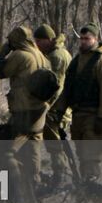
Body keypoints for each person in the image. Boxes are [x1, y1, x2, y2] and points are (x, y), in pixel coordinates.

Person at [50, 24, 102, 195]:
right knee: (81, 152)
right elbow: (67, 89)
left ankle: (93, 189)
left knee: (91, 154)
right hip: (78, 114)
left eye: (87, 38)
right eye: (82, 38)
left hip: (93, 114)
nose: (84, 42)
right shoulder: (76, 61)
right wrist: (58, 110)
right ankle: (84, 187)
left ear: (95, 39)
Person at [0, 26, 52, 203]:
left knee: (7, 152)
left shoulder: (20, 55)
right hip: (39, 111)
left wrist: (4, 50)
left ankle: (18, 194)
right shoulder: (42, 56)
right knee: (32, 152)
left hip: (24, 112)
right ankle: (34, 191)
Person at [34, 23, 73, 192]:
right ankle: (61, 175)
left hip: (56, 110)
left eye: (39, 41)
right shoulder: (56, 53)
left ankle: (60, 178)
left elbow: (56, 86)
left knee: (55, 145)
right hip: (57, 108)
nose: (37, 45)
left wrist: (46, 106)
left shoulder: (57, 56)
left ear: (48, 40)